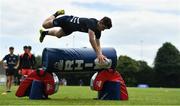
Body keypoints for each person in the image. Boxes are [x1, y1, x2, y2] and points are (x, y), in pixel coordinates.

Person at [39, 9, 112, 64]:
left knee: (58, 35)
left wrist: (101, 55)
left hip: (70, 28)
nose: (103, 30)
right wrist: (98, 54)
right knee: (44, 25)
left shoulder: (98, 31)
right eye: (104, 28)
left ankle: (44, 33)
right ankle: (56, 14)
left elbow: (98, 44)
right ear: (101, 22)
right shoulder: (92, 23)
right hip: (66, 20)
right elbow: (91, 39)